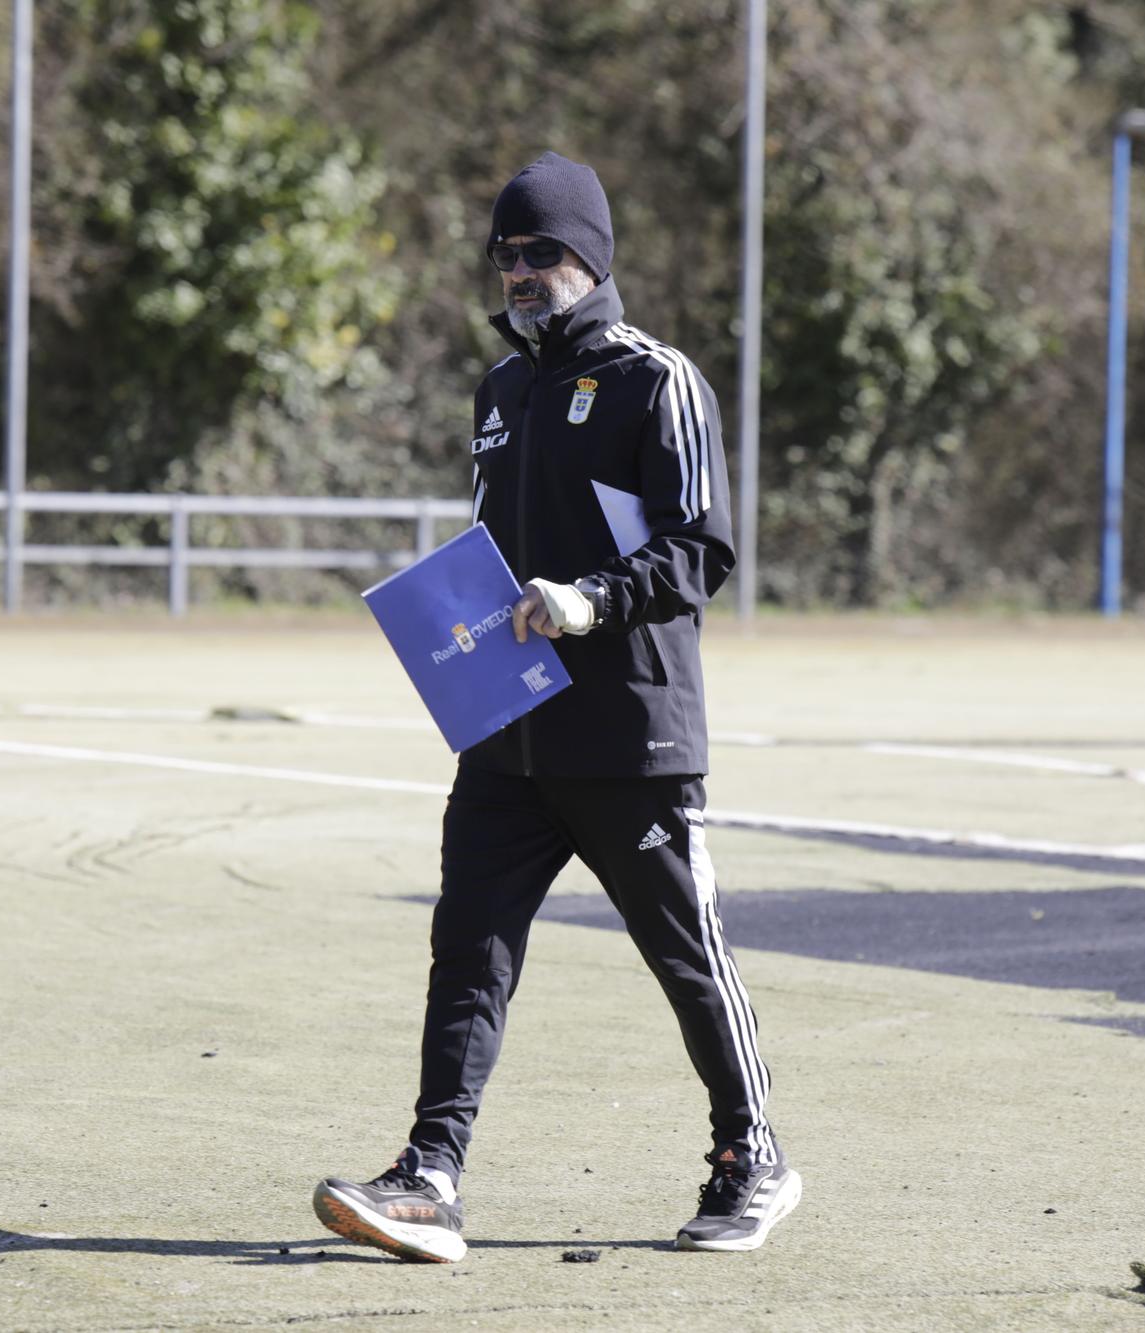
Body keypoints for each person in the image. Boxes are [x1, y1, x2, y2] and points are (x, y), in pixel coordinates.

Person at [312, 151, 799, 1263]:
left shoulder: (653, 378)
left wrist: (587, 602)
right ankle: (430, 1177)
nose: (519, 271)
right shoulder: (501, 389)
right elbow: (496, 550)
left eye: (541, 251)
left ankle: (751, 1153)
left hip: (629, 737)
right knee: (466, 953)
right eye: (505, 253)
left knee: (687, 958)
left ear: (591, 255)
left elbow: (700, 550)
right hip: (505, 733)